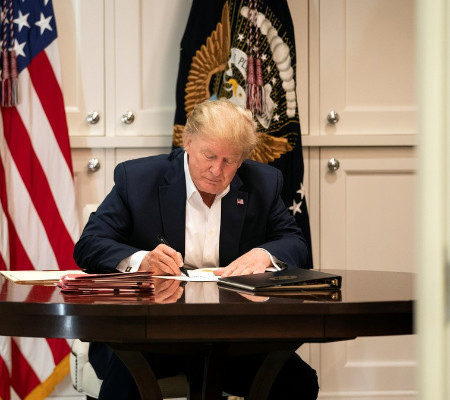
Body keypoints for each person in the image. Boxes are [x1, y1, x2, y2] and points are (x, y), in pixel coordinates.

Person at [73, 99, 319, 399]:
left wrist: (265, 254)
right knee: (127, 376)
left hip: (232, 336)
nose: (217, 170)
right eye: (209, 156)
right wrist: (142, 260)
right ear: (188, 141)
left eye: (230, 161)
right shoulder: (137, 179)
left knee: (299, 381)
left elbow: (294, 242)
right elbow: (90, 244)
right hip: (149, 332)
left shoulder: (263, 183)